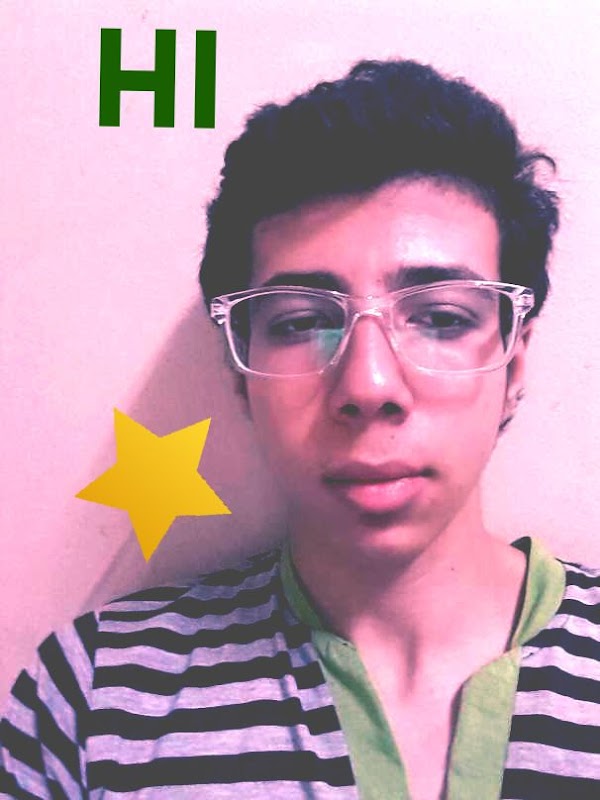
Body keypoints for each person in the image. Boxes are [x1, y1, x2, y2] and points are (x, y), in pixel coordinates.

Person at [1, 58, 598, 800]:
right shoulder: (94, 703)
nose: (369, 386)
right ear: (240, 375)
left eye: (441, 318)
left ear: (514, 362)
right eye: (299, 322)